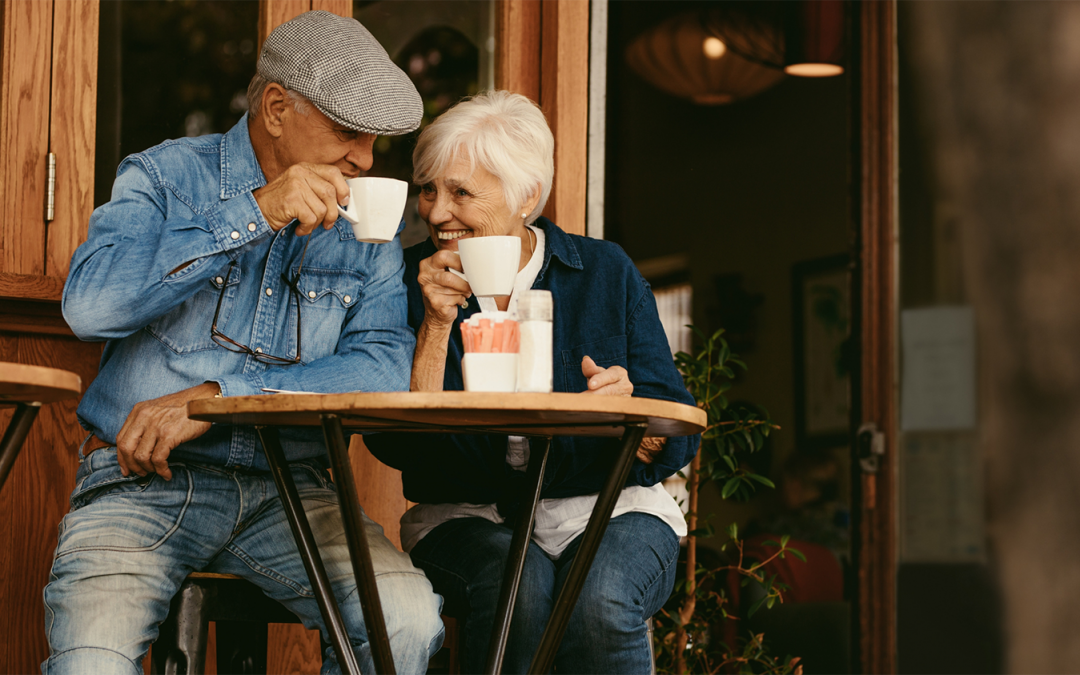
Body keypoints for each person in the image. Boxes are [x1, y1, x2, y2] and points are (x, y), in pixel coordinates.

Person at [45, 12, 443, 675]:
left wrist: (216, 398)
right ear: (277, 108)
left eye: (373, 139)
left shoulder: (366, 221)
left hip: (294, 493)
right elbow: (90, 306)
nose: (366, 159)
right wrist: (254, 212)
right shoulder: (166, 176)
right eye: (349, 132)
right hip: (139, 486)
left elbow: (382, 363)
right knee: (89, 664)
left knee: (408, 623)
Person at [365, 90, 699, 675]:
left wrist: (630, 414)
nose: (436, 212)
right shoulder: (401, 279)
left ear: (525, 197)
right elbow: (397, 443)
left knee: (599, 602)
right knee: (518, 587)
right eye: (428, 189)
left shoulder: (602, 271)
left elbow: (676, 424)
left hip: (610, 509)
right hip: (468, 516)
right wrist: (438, 324)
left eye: (461, 192)